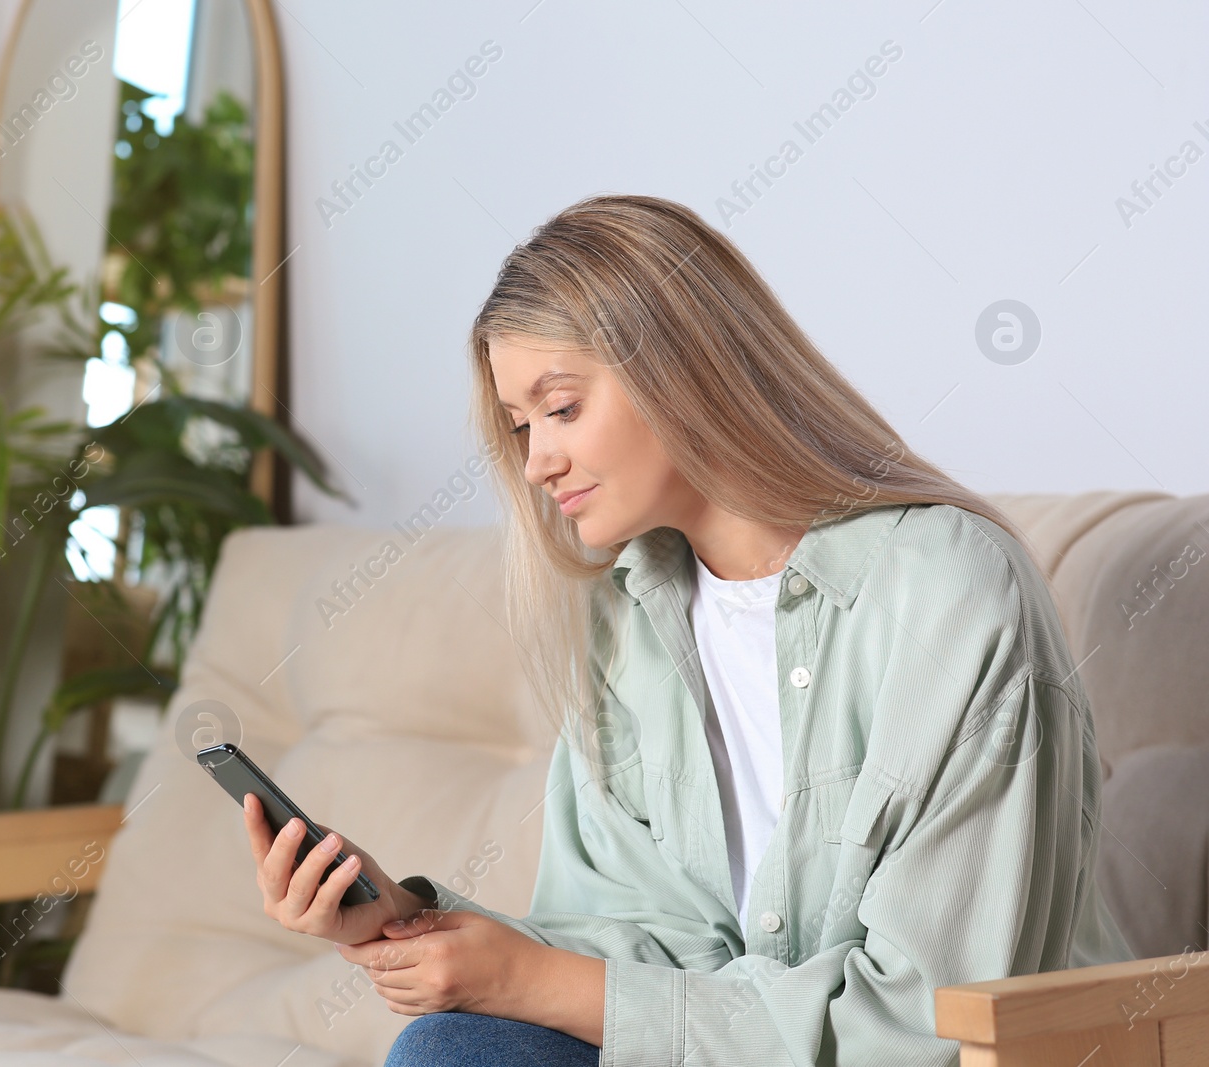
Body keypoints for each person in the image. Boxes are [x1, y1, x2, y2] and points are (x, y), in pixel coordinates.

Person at [240, 193, 1134, 1065]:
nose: (537, 461)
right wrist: (407, 918)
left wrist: (529, 981)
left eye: (560, 408)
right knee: (456, 1047)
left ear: (681, 366)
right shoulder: (625, 621)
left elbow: (928, 1019)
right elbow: (642, 950)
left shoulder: (944, 588)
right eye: (519, 426)